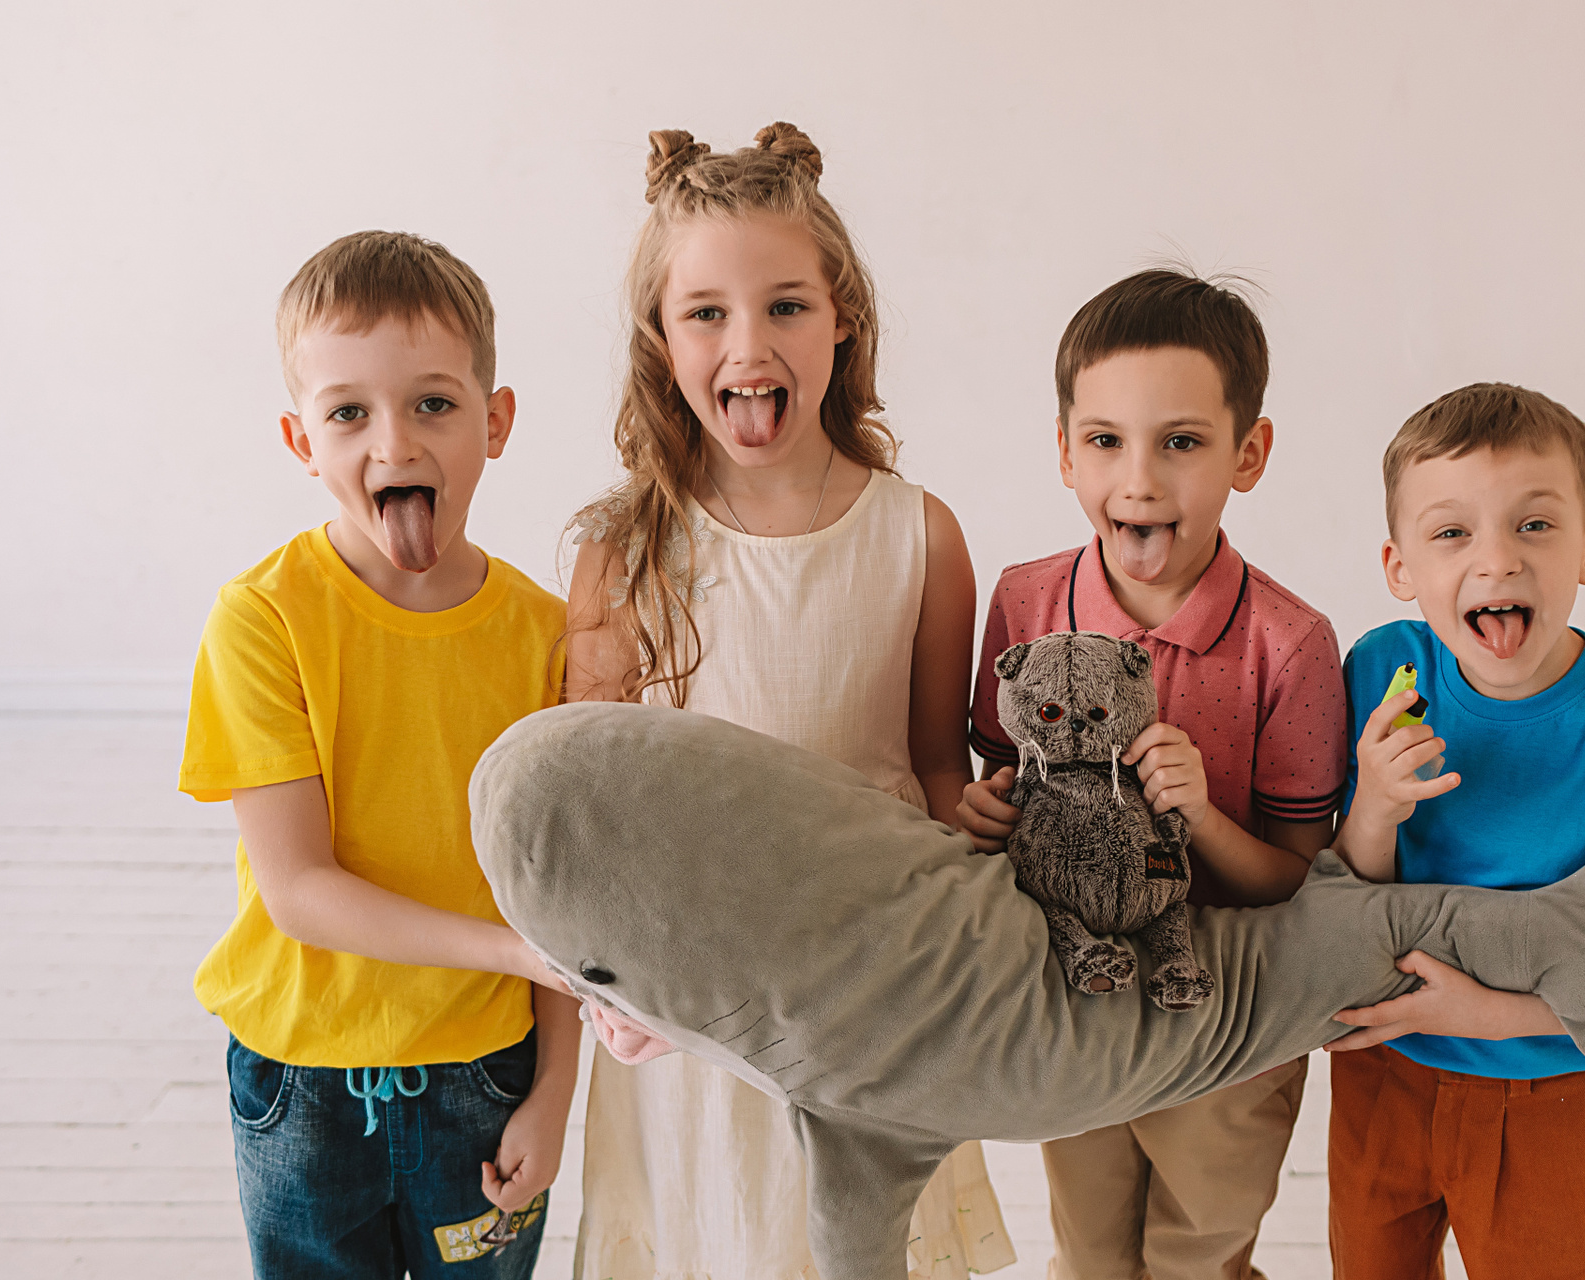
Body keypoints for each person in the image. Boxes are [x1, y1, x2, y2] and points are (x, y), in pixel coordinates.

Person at [562, 123, 1013, 1280]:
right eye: (706, 312)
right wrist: (611, 984)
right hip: (690, 1008)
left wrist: (980, 887)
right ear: (661, 336)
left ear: (843, 316)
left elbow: (933, 773)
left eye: (787, 306)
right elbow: (590, 814)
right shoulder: (625, 550)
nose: (748, 344)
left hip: (865, 994)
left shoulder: (919, 536)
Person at [179, 231, 580, 1279]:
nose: (394, 444)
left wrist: (554, 1091)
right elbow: (300, 889)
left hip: (487, 1077)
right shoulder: (262, 620)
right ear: (300, 440)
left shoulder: (548, 637)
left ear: (495, 422)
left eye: (433, 403)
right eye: (349, 412)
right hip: (302, 1081)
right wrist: (513, 953)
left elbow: (559, 890)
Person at [957, 268, 1348, 1280]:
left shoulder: (1290, 645)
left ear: (1248, 453)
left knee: (1199, 1257)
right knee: (1088, 1253)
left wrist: (1202, 817)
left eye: (1180, 441)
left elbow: (1295, 878)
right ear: (1063, 449)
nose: (1137, 480)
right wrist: (984, 813)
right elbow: (1003, 790)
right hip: (1078, 989)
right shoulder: (1024, 603)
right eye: (1104, 440)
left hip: (1230, 1013)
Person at [1326, 382, 1585, 1279]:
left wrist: (1490, 1015)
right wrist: (1376, 807)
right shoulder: (1381, 670)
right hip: (1382, 1069)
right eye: (1451, 533)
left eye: (1535, 525)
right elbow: (1344, 896)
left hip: (1557, 1088)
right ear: (1399, 568)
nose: (1497, 561)